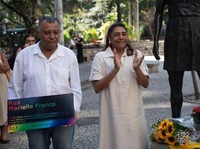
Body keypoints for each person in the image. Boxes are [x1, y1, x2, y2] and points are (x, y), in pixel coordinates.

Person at [8, 16, 82, 149]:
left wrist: (73, 109)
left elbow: (75, 87)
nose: (52, 36)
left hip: (63, 116)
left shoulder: (69, 55)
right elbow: (15, 87)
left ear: (60, 32)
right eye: (47, 32)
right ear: (38, 33)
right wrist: (16, 114)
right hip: (34, 117)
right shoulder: (24, 56)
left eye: (56, 32)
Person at [89, 22, 149, 149]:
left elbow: (145, 84)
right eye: (116, 35)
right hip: (111, 114)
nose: (121, 37)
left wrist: (137, 68)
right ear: (109, 38)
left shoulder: (136, 55)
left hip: (134, 113)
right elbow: (97, 87)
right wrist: (115, 69)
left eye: (124, 34)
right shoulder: (101, 57)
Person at [0, 48, 11, 144]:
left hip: (2, 83)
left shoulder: (0, 51)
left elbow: (6, 67)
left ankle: (3, 134)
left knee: (3, 108)